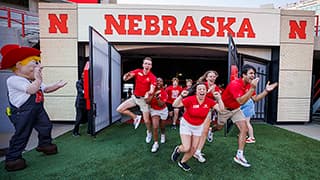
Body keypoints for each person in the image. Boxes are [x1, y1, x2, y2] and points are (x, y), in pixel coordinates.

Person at [0, 44, 67, 171]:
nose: (39, 67)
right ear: (19, 65)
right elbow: (32, 90)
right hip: (22, 112)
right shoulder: (14, 80)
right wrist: (38, 78)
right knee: (22, 134)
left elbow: (45, 89)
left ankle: (45, 144)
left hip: (37, 109)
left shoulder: (33, 80)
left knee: (46, 126)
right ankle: (13, 159)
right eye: (35, 63)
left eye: (39, 63)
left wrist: (58, 85)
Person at [214, 64, 277, 168]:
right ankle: (211, 130)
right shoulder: (235, 84)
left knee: (244, 129)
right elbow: (241, 101)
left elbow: (255, 98)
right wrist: (252, 88)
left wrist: (266, 91)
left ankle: (239, 155)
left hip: (236, 109)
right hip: (225, 109)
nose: (253, 76)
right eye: (251, 73)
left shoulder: (249, 85)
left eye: (254, 74)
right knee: (219, 127)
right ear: (243, 75)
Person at [170, 82, 224, 171]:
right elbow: (175, 105)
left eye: (204, 89)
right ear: (196, 91)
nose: (202, 90)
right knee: (186, 147)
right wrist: (181, 96)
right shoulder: (190, 99)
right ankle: (178, 150)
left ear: (206, 91)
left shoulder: (209, 101)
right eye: (200, 89)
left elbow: (221, 110)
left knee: (194, 149)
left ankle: (182, 162)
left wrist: (219, 99)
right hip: (186, 125)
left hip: (198, 127)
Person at [116, 57, 156, 143]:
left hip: (143, 100)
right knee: (119, 109)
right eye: (145, 63)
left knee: (147, 121)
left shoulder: (152, 77)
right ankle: (135, 117)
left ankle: (149, 132)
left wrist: (148, 93)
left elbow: (152, 90)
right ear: (143, 65)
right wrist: (126, 76)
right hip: (134, 97)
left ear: (151, 66)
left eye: (149, 64)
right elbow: (125, 78)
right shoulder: (138, 71)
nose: (147, 65)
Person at [193, 70, 222, 163]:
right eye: (210, 76)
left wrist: (216, 97)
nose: (212, 78)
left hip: (208, 111)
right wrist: (208, 91)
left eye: (214, 76)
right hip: (197, 109)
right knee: (196, 130)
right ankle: (192, 149)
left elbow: (216, 100)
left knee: (204, 131)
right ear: (206, 77)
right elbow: (196, 96)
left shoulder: (216, 87)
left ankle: (198, 151)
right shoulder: (202, 85)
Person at [148, 77, 168, 152]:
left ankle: (163, 134)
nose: (159, 82)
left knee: (162, 126)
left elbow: (161, 104)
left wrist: (157, 97)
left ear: (162, 83)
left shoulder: (164, 92)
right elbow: (148, 102)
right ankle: (155, 143)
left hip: (163, 110)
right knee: (155, 127)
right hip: (154, 110)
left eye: (161, 81)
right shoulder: (151, 91)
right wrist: (153, 94)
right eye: (157, 81)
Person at [73, 72, 88, 136]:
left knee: (89, 117)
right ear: (81, 76)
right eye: (83, 75)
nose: (84, 77)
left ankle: (89, 131)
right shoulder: (78, 82)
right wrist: (87, 92)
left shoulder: (88, 82)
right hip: (80, 104)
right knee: (79, 118)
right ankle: (75, 132)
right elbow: (80, 91)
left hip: (86, 103)